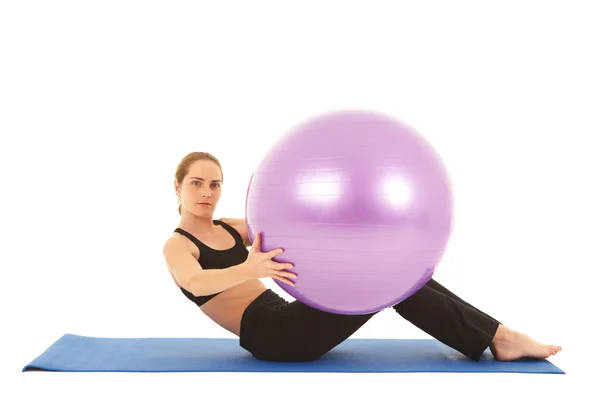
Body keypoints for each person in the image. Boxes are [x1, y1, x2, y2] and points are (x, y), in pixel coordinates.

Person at [163, 151, 562, 362]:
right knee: (389, 283)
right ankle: (501, 338)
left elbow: (289, 218)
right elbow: (195, 282)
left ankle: (498, 335)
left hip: (291, 313)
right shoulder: (179, 245)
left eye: (214, 184)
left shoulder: (232, 227)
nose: (206, 193)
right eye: (196, 183)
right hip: (275, 338)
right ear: (178, 187)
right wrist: (248, 267)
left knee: (397, 277)